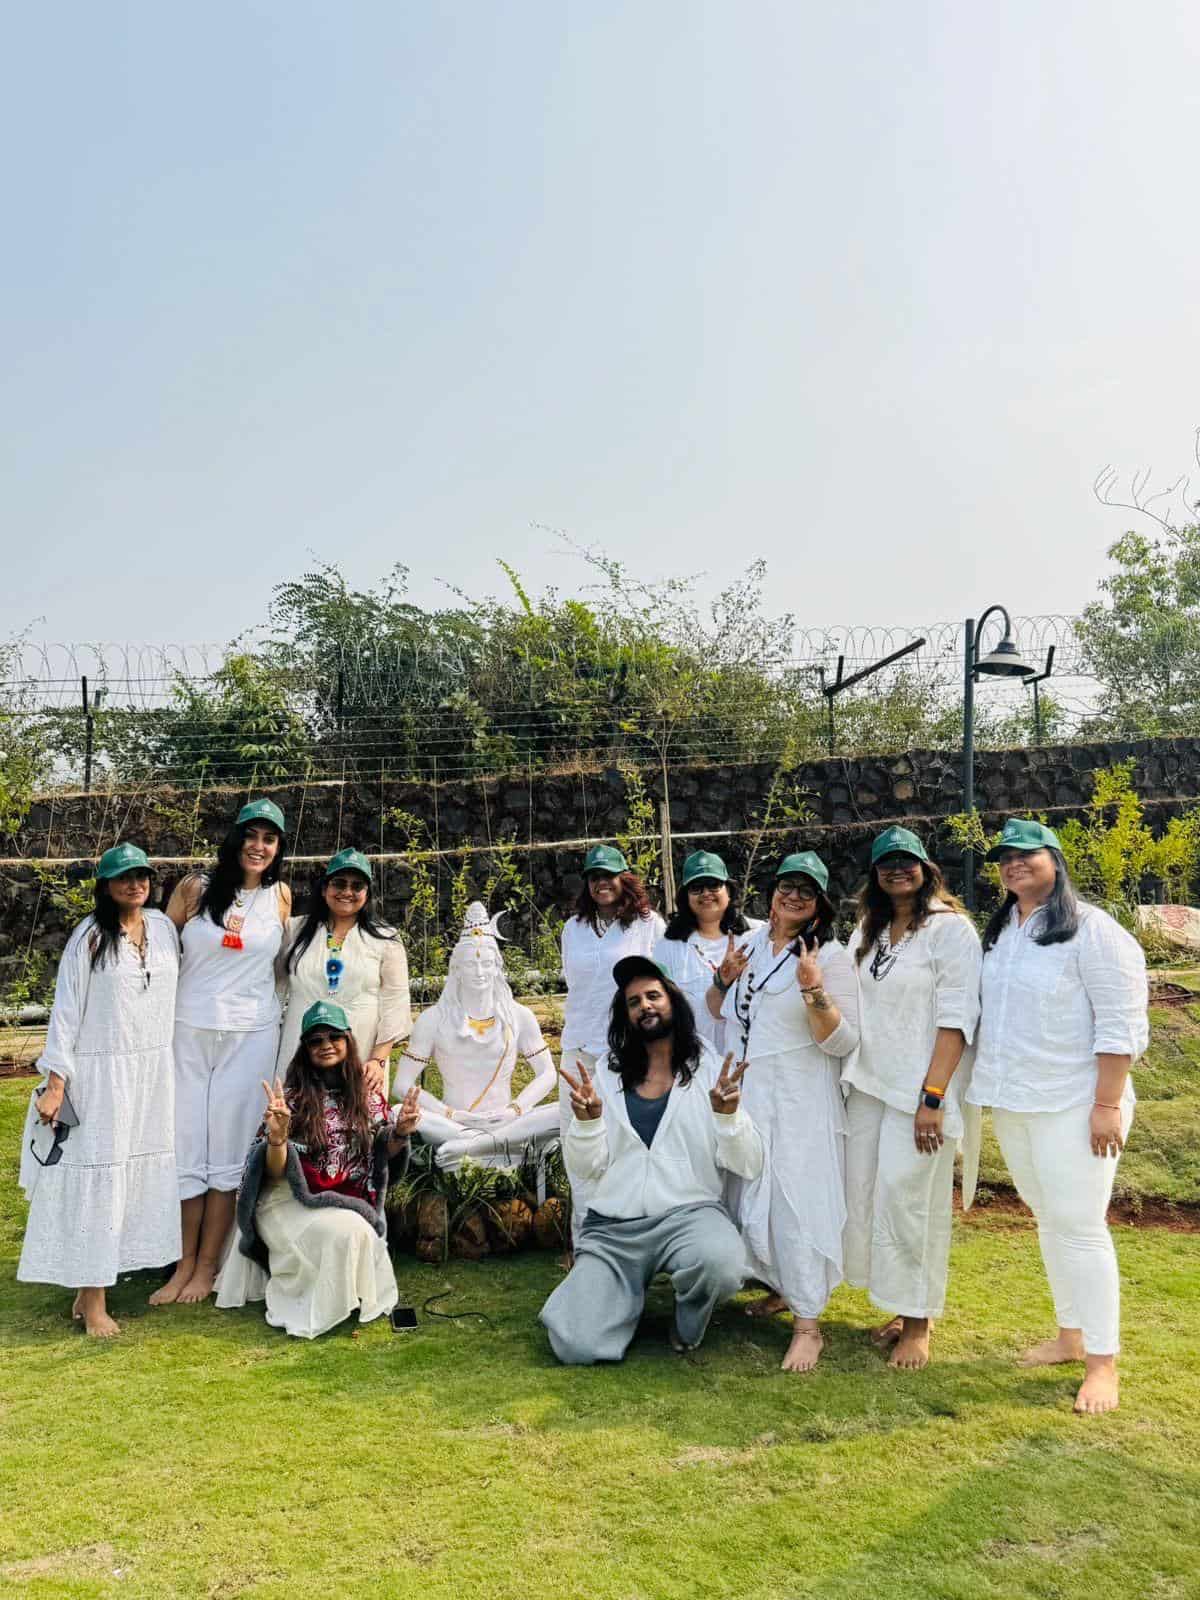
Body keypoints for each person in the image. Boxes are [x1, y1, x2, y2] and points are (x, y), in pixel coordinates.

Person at [967, 818, 1148, 1416]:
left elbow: (1120, 1025)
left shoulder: (1094, 930)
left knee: (1081, 1226)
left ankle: (1103, 1362)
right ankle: (1071, 1336)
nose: (1014, 863)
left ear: (1056, 860)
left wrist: (1106, 1105)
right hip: (1016, 1099)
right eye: (1005, 856)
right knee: (1049, 1220)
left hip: (1076, 1102)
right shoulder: (1003, 931)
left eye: (1028, 853)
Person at [540, 957, 762, 1363]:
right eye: (634, 1001)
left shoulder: (709, 1069)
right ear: (625, 1015)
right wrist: (587, 1124)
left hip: (689, 1216)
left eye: (653, 995)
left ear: (672, 1001)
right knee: (575, 1346)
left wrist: (728, 1118)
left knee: (722, 1264)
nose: (645, 1005)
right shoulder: (606, 1075)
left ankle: (687, 1321)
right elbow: (585, 1169)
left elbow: (747, 1163)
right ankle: (617, 1298)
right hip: (615, 1227)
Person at [18, 845, 181, 1337]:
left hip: (151, 1074)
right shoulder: (88, 937)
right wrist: (56, 1083)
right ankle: (93, 1302)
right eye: (124, 877)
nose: (135, 884)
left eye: (141, 875)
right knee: (101, 1179)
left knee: (130, 1176)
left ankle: (88, 1288)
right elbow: (66, 1013)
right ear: (106, 885)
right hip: (100, 1075)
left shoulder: (163, 928)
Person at [712, 851, 860, 1373]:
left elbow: (843, 1042)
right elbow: (719, 1013)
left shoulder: (830, 957)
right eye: (787, 885)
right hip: (751, 1094)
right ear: (773, 892)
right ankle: (779, 1288)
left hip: (800, 1098)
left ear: (820, 902)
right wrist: (723, 980)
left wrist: (813, 989)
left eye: (807, 889)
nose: (794, 895)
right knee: (752, 1194)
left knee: (796, 1202)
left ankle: (808, 1326)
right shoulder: (751, 944)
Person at [842, 826, 982, 1370]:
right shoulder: (869, 928)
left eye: (907, 861)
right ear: (874, 874)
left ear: (926, 869)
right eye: (886, 863)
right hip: (868, 1085)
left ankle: (919, 1323)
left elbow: (957, 1017)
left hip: (921, 1092)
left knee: (912, 1204)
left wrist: (934, 1096)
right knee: (868, 1197)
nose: (897, 870)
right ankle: (899, 1309)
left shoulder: (951, 930)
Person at [153, 798, 292, 1306]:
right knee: (187, 1145)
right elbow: (158, 950)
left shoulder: (280, 896)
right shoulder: (195, 888)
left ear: (277, 849)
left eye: (269, 839)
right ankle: (181, 1262)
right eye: (251, 836)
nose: (258, 847)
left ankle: (208, 1265)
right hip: (187, 1030)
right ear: (235, 839)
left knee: (229, 1153)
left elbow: (281, 968)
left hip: (251, 1035)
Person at [214, 1001, 420, 1338]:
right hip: (289, 1201)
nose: (326, 1045)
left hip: (346, 1201)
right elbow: (273, 1174)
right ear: (305, 1049)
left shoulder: (368, 1097)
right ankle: (312, 1302)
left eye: (334, 1037)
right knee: (346, 1232)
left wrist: (400, 1133)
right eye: (315, 1040)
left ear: (348, 1040)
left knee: (353, 1230)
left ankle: (347, 1296)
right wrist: (278, 1138)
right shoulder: (291, 1102)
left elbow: (383, 1153)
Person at [394, 902, 559, 1169]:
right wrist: (450, 1114)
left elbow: (548, 1073)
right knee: (394, 1114)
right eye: (471, 964)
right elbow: (401, 1084)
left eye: (487, 964)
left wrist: (515, 1109)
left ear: (497, 967)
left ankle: (472, 1148)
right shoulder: (433, 1019)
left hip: (508, 1121)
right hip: (453, 1124)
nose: (479, 972)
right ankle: (496, 1146)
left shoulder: (520, 1015)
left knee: (566, 1111)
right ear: (457, 969)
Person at [559, 845, 664, 1243]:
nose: (602, 883)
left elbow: (660, 987)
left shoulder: (648, 925)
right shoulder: (573, 928)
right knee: (578, 1142)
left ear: (625, 879)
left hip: (629, 1050)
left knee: (627, 1143)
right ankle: (586, 1242)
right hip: (578, 1047)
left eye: (609, 876)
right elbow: (574, 983)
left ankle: (633, 1240)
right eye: (594, 877)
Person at [277, 848, 412, 1092]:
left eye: (357, 886)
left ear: (367, 893)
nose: (347, 892)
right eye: (339, 883)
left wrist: (378, 1060)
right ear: (324, 888)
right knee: (296, 1109)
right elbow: (273, 986)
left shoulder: (386, 939)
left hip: (360, 1048)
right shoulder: (294, 930)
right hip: (300, 1046)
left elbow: (396, 1003)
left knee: (355, 1111)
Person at [654, 851, 760, 1051]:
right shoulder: (668, 946)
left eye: (713, 885)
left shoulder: (756, 935)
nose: (706, 893)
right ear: (685, 897)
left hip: (747, 1056)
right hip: (694, 1058)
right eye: (696, 888)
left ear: (729, 890)